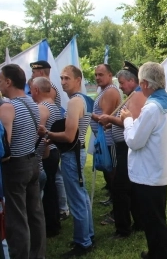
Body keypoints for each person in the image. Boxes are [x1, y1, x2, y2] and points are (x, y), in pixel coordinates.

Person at [121, 62, 167, 259]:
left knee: (154, 221)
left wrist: (127, 120)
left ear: (145, 83)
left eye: (139, 83)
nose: (138, 87)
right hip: (159, 170)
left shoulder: (152, 108)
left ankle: (159, 254)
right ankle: (156, 252)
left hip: (149, 174)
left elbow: (134, 141)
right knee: (156, 219)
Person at [38, 65, 94, 258]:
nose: (62, 82)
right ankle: (88, 235)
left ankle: (83, 242)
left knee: (77, 198)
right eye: (61, 78)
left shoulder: (74, 102)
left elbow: (70, 136)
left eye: (67, 78)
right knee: (82, 195)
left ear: (78, 80)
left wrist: (49, 134)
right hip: (78, 152)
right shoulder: (85, 100)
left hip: (73, 153)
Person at [0, 64, 46, 259]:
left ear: (8, 82)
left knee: (17, 218)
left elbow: (5, 147)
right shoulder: (32, 103)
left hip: (16, 166)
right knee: (35, 213)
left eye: (0, 80)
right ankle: (39, 254)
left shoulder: (8, 107)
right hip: (32, 162)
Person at [98, 61, 146, 238]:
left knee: (119, 188)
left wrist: (109, 120)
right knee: (129, 188)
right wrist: (112, 124)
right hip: (123, 147)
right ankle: (139, 222)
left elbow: (132, 121)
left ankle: (123, 229)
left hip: (126, 148)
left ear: (132, 81)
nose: (121, 87)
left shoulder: (137, 96)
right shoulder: (133, 95)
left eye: (122, 83)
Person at [30, 60, 70, 220]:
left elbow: (40, 129)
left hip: (48, 149)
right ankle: (56, 216)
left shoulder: (44, 105)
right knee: (52, 183)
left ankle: (54, 219)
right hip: (52, 149)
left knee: (50, 188)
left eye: (34, 72)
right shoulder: (50, 102)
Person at [30, 77, 63, 237]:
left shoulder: (42, 107)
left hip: (46, 152)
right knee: (51, 189)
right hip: (53, 150)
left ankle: (50, 226)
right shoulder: (53, 105)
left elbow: (38, 132)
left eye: (31, 90)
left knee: (48, 191)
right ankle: (54, 223)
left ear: (36, 90)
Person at [90, 64, 121, 208]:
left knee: (113, 173)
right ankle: (114, 200)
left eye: (101, 74)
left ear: (110, 75)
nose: (97, 77)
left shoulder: (110, 91)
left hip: (109, 139)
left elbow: (105, 117)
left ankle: (117, 207)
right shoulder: (104, 91)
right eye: (96, 75)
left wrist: (90, 115)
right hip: (103, 140)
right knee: (108, 172)